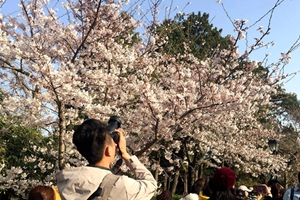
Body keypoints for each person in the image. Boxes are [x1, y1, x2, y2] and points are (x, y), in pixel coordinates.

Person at [56, 119, 157, 200]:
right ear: (108, 150)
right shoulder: (121, 185)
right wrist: (126, 155)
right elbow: (151, 185)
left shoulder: (65, 178)